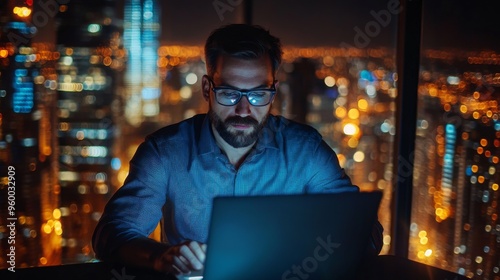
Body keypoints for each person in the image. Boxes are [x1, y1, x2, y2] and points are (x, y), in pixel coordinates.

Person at [92, 23, 383, 276]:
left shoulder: (306, 151)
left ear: (274, 92)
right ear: (207, 89)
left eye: (258, 95)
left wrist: (309, 252)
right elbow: (112, 233)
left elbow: (366, 232)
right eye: (230, 93)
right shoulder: (165, 152)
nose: (244, 110)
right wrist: (160, 258)